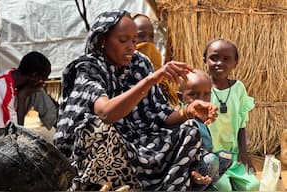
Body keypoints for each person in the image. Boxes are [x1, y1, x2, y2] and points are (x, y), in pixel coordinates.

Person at [54, 10, 218, 191]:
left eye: (133, 40)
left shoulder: (140, 63)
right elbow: (106, 113)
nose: (131, 46)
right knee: (96, 128)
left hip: (137, 144)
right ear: (102, 41)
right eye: (123, 40)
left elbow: (160, 115)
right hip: (102, 151)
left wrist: (188, 111)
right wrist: (149, 81)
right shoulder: (87, 68)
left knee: (190, 129)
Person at [203, 38, 260, 191]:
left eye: (226, 59)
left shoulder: (239, 88)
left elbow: (241, 124)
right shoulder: (202, 88)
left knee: (253, 186)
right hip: (210, 157)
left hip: (233, 156)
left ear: (236, 62)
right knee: (223, 188)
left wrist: (244, 153)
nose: (220, 63)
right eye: (214, 58)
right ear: (205, 60)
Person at [132, 13, 178, 107]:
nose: (147, 41)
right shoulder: (123, 71)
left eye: (151, 36)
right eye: (141, 36)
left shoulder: (161, 73)